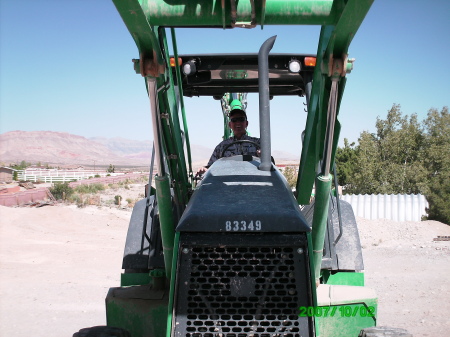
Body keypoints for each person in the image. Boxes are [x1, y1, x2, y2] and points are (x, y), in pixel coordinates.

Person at [196, 107, 260, 176]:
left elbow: (269, 163)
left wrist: (262, 155)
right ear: (230, 125)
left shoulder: (257, 143)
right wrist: (205, 169)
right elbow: (211, 166)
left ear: (246, 123)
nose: (238, 122)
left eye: (241, 119)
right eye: (234, 120)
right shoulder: (222, 146)